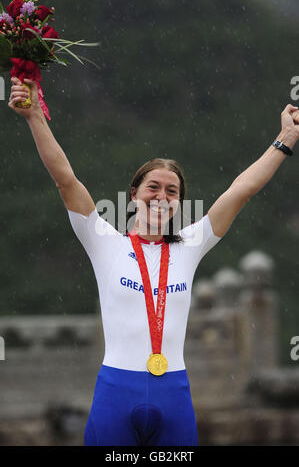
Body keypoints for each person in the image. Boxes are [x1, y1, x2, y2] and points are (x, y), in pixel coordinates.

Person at [8, 77, 299, 446]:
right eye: (153, 187)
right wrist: (35, 116)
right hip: (116, 392)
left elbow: (241, 190)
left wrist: (285, 140)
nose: (162, 196)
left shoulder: (191, 245)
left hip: (173, 395)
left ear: (179, 202)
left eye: (172, 191)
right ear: (134, 195)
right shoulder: (103, 242)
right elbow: (66, 179)